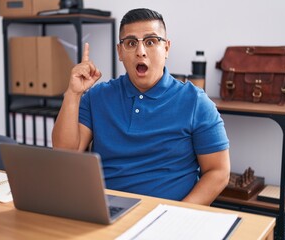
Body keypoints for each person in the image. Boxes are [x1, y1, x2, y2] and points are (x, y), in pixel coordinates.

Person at [52, 8, 230, 206]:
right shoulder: (97, 96)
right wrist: (73, 93)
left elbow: (219, 172)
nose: (141, 51)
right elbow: (66, 153)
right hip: (107, 210)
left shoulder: (196, 102)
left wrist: (178, 213)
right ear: (120, 52)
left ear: (167, 48)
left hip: (167, 216)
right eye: (130, 43)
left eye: (151, 41)